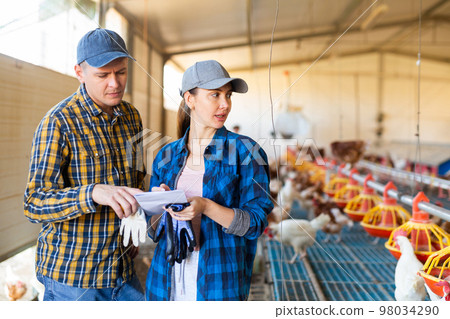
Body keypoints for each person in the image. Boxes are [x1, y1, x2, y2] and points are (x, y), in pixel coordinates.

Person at [23, 28, 146, 301]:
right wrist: (93, 193)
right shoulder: (58, 123)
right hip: (75, 279)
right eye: (103, 75)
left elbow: (136, 178)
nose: (114, 83)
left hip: (122, 266)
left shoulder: (131, 117)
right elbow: (34, 203)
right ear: (80, 72)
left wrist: (141, 209)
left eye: (121, 72)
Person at [145, 60, 274, 301]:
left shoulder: (246, 152)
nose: (225, 104)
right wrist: (159, 204)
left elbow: (256, 223)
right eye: (214, 95)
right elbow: (153, 230)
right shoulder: (166, 156)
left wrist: (206, 206)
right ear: (190, 99)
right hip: (165, 284)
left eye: (228, 95)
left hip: (219, 285)